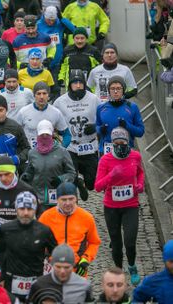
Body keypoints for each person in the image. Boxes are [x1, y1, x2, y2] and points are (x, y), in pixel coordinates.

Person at [95, 127, 144, 285]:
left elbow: (140, 173)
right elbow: (97, 186)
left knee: (130, 241)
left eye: (122, 142)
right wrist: (111, 176)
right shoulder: (105, 160)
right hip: (111, 207)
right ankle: (118, 272)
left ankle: (132, 266)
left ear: (128, 142)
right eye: (116, 143)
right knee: (116, 243)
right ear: (112, 143)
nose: (119, 145)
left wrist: (140, 185)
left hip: (131, 205)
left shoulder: (135, 156)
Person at [0, 191, 57, 300]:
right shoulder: (5, 229)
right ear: (16, 209)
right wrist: (1, 277)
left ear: (34, 210)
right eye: (22, 209)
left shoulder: (44, 230)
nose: (25, 213)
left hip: (36, 280)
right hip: (12, 280)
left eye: (29, 209)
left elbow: (56, 252)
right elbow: (1, 254)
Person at [53, 69, 100, 200]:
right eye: (75, 82)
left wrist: (96, 127)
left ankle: (83, 181)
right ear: (70, 84)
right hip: (71, 146)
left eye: (81, 82)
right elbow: (54, 120)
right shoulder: (60, 102)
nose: (78, 85)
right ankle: (73, 201)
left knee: (92, 183)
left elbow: (103, 119)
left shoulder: (93, 99)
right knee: (71, 179)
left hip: (90, 145)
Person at [38, 182, 101, 277]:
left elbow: (94, 242)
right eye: (63, 199)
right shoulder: (46, 217)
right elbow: (38, 242)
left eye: (71, 199)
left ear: (76, 198)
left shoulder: (87, 218)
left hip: (77, 271)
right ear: (57, 199)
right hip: (52, 271)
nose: (68, 203)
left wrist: (86, 259)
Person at [0, 156, 35, 244]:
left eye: (7, 174)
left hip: (19, 237)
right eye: (0, 175)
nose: (3, 178)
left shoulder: (26, 189)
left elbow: (37, 213)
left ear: (13, 171)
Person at [21, 120, 76, 207]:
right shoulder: (32, 153)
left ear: (52, 135)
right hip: (38, 196)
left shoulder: (62, 152)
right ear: (38, 135)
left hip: (57, 195)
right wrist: (26, 176)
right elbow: (30, 170)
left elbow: (72, 173)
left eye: (47, 134)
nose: (44, 137)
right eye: (42, 135)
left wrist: (61, 179)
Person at [27, 244, 93, 303]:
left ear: (73, 265)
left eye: (66, 267)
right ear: (52, 264)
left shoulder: (84, 285)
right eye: (58, 267)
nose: (62, 271)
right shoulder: (38, 284)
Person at [95, 76, 145, 154]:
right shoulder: (101, 108)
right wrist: (100, 129)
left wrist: (127, 126)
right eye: (112, 88)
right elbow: (96, 127)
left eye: (118, 88)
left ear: (123, 90)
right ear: (108, 90)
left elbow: (140, 132)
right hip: (106, 152)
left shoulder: (132, 107)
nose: (115, 91)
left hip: (126, 151)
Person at [16, 82, 70, 149]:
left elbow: (67, 135)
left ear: (48, 95)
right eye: (38, 94)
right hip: (29, 154)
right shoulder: (23, 112)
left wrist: (61, 149)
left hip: (49, 154)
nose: (41, 97)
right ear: (34, 95)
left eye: (44, 93)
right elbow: (15, 134)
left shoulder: (56, 112)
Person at [37, 6, 75, 80]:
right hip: (42, 61)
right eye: (49, 20)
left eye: (53, 20)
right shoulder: (38, 24)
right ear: (44, 16)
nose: (51, 22)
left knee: (56, 89)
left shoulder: (60, 23)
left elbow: (74, 30)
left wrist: (62, 19)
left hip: (57, 60)